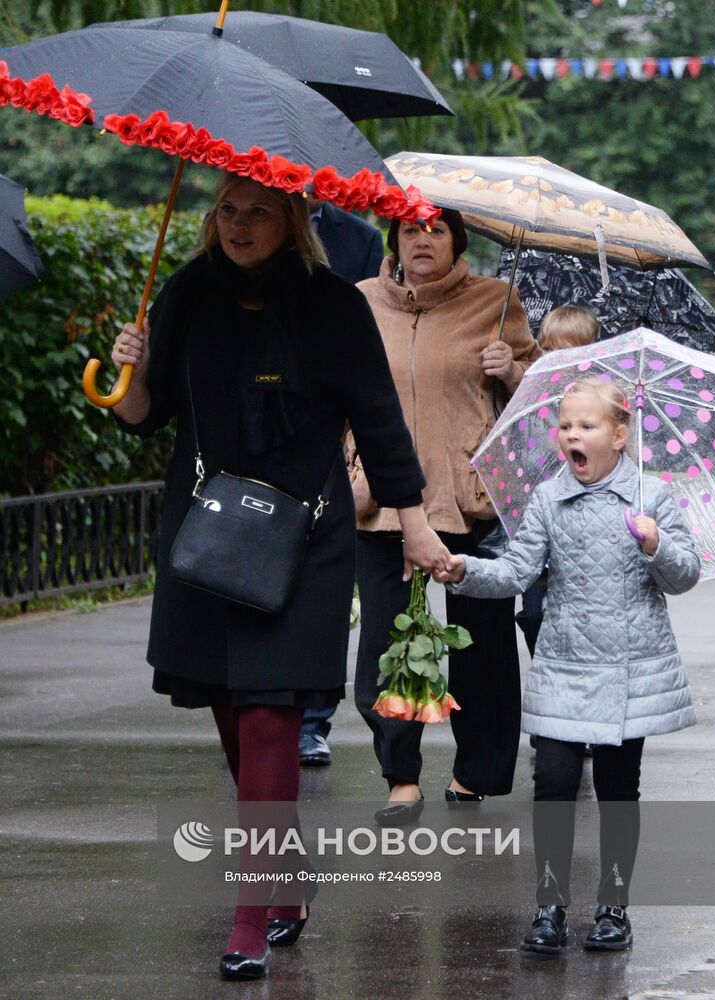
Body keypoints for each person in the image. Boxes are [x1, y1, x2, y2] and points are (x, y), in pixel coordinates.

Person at [110, 174, 449, 981]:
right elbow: (145, 415)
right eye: (227, 209)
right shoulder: (187, 290)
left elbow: (376, 415)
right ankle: (287, 873)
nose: (239, 224)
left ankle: (250, 912)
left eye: (258, 211)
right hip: (203, 530)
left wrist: (410, 517)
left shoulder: (330, 303)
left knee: (269, 712)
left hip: (303, 535)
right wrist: (129, 372)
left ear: (292, 219)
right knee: (229, 706)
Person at [434, 376, 700, 956]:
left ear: (620, 434)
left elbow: (684, 577)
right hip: (564, 665)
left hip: (630, 671)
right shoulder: (548, 499)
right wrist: (466, 570)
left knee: (616, 789)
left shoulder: (652, 498)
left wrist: (656, 545)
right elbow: (517, 570)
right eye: (565, 426)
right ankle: (550, 905)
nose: (571, 435)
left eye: (587, 425)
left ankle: (613, 906)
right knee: (552, 783)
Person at [349, 208, 542, 823]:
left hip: (472, 500)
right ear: (394, 240)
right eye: (410, 230)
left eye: (435, 230)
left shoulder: (496, 300)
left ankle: (475, 771)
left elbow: (543, 401)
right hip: (378, 504)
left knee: (481, 648)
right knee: (385, 646)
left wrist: (511, 370)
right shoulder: (359, 303)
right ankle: (400, 775)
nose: (422, 239)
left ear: (456, 241)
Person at [298, 198, 385, 767]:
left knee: (330, 584)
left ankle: (310, 721)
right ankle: (265, 707)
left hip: (341, 418)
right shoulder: (244, 223)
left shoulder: (358, 237)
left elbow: (368, 325)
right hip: (271, 424)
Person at [517, 303, 600, 754]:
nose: (561, 364)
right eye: (550, 352)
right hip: (546, 533)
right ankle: (554, 704)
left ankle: (582, 716)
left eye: (572, 354)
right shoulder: (535, 405)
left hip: (589, 540)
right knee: (535, 616)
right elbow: (525, 463)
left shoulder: (607, 411)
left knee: (586, 628)